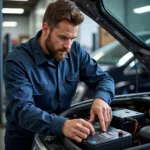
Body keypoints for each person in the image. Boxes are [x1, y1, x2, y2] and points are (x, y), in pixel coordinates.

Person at [3, 0, 115, 150]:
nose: (68, 46)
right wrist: (61, 124)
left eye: (72, 39)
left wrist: (101, 98)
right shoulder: (17, 61)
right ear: (45, 28)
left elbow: (104, 79)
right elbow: (22, 110)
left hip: (62, 138)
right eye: (63, 38)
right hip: (26, 142)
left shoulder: (75, 51)